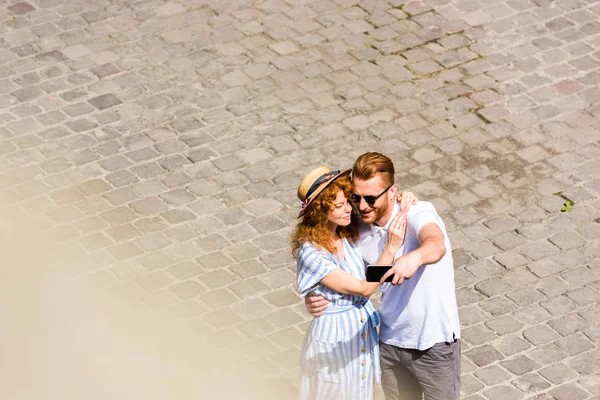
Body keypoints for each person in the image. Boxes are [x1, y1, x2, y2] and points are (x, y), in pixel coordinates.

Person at [305, 153, 461, 400]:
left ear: (392, 192)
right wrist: (316, 296)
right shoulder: (357, 229)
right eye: (356, 197)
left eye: (371, 198)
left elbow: (436, 244)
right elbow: (336, 267)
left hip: (433, 344)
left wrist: (414, 258)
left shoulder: (416, 213)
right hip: (389, 342)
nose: (363, 205)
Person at [292, 166, 412, 400]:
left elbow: (382, 204)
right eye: (339, 206)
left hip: (360, 335)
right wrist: (391, 248)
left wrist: (403, 197)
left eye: (348, 200)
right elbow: (364, 288)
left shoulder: (345, 230)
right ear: (320, 212)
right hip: (335, 340)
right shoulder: (311, 253)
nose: (349, 208)